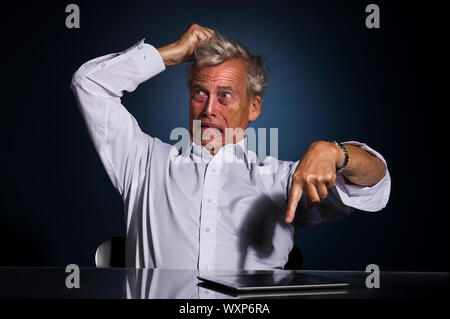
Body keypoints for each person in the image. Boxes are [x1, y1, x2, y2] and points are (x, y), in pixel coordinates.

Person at [71, 24, 391, 269]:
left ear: (253, 108)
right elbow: (90, 84)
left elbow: (374, 186)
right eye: (200, 93)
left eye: (225, 95)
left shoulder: (284, 181)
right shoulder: (142, 161)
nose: (209, 108)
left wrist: (337, 153)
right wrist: (172, 53)